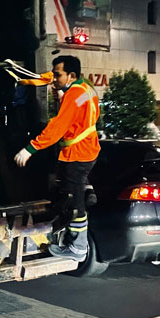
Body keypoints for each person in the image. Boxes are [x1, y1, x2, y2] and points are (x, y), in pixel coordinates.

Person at [13, 55, 100, 262]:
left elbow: (58, 127)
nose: (53, 78)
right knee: (73, 190)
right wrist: (22, 78)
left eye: (58, 75)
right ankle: (86, 190)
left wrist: (30, 149)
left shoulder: (74, 95)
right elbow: (75, 108)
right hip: (88, 150)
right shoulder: (84, 89)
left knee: (74, 205)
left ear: (71, 75)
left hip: (76, 155)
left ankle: (77, 248)